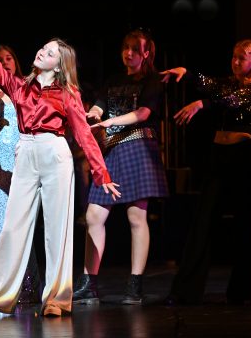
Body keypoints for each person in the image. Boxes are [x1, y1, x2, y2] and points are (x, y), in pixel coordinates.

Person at [0, 0, 119, 317]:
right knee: (13, 226)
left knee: (57, 229)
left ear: (59, 65)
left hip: (55, 152)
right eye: (43, 47)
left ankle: (57, 299)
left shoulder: (67, 93)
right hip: (26, 151)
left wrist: (102, 174)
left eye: (50, 52)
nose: (42, 52)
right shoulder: (20, 86)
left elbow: (83, 134)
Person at [160, 39, 251, 306]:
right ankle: (185, 290)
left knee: (244, 225)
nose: (235, 62)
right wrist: (187, 72)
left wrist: (201, 104)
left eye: (241, 58)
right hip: (218, 156)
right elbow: (210, 84)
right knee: (202, 221)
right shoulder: (229, 82)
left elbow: (231, 101)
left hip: (242, 158)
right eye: (233, 57)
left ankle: (240, 292)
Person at [72, 29, 169, 306]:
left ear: (146, 54)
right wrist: (93, 113)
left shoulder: (152, 81)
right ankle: (89, 283)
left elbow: (143, 113)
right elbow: (100, 106)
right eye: (126, 48)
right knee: (94, 216)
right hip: (112, 151)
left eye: (135, 49)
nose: (129, 53)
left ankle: (135, 284)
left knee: (136, 217)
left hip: (138, 148)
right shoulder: (113, 81)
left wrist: (110, 122)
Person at [0, 44, 40, 305]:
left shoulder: (26, 90)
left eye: (8, 58)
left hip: (21, 165)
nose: (4, 62)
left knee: (19, 227)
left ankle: (21, 287)